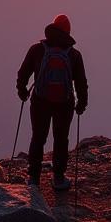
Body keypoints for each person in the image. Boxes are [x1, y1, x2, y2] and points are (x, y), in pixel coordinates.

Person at [16, 14, 88, 190]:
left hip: (40, 101)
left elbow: (23, 73)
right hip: (65, 103)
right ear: (68, 31)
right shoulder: (74, 54)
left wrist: (22, 91)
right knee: (61, 139)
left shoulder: (37, 49)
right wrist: (81, 104)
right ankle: (58, 178)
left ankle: (33, 178)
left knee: (38, 137)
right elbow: (81, 83)